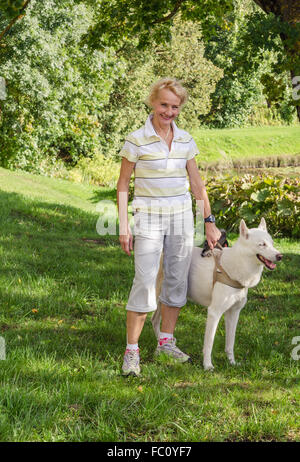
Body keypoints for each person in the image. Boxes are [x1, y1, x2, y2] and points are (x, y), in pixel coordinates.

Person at [117, 78, 221, 376]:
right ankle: (131, 352)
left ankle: (165, 341)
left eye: (175, 106)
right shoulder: (136, 139)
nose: (169, 111)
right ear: (153, 102)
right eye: (164, 104)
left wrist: (209, 222)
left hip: (181, 219)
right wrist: (125, 226)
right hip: (148, 218)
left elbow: (197, 184)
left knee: (177, 280)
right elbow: (123, 184)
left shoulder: (186, 140)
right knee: (145, 280)